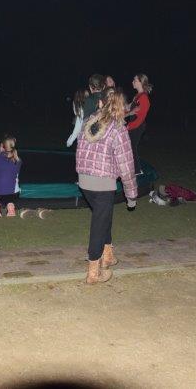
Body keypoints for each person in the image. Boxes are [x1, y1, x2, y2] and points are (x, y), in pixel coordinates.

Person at [76, 87, 138, 284]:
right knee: (99, 223)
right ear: (122, 107)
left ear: (101, 103)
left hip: (84, 181)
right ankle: (93, 272)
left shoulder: (88, 122)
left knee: (103, 216)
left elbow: (79, 150)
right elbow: (126, 166)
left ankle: (108, 254)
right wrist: (131, 195)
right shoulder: (118, 129)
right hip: (103, 183)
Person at [127, 73, 153, 175]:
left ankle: (137, 171)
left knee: (132, 147)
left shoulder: (144, 98)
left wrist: (129, 126)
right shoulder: (137, 96)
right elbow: (128, 109)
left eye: (135, 80)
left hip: (137, 126)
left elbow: (141, 118)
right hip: (133, 125)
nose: (132, 82)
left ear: (140, 82)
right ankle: (135, 170)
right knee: (130, 147)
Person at [0, 135, 22, 217]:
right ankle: (10, 204)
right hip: (13, 195)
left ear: (2, 146)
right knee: (14, 181)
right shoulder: (18, 160)